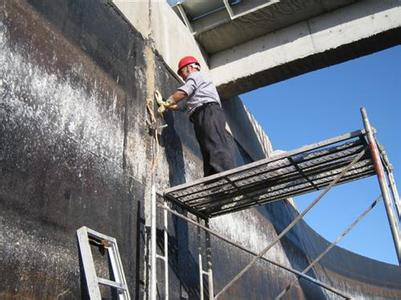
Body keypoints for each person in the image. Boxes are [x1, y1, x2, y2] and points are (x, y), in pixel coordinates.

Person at [158, 56, 235, 177]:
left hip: (208, 111)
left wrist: (168, 101)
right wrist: (169, 106)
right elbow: (185, 106)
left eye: (182, 72)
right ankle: (213, 179)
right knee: (207, 147)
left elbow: (183, 92)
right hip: (202, 113)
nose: (183, 77)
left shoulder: (196, 76)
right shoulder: (200, 84)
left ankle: (226, 175)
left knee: (214, 142)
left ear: (189, 68)